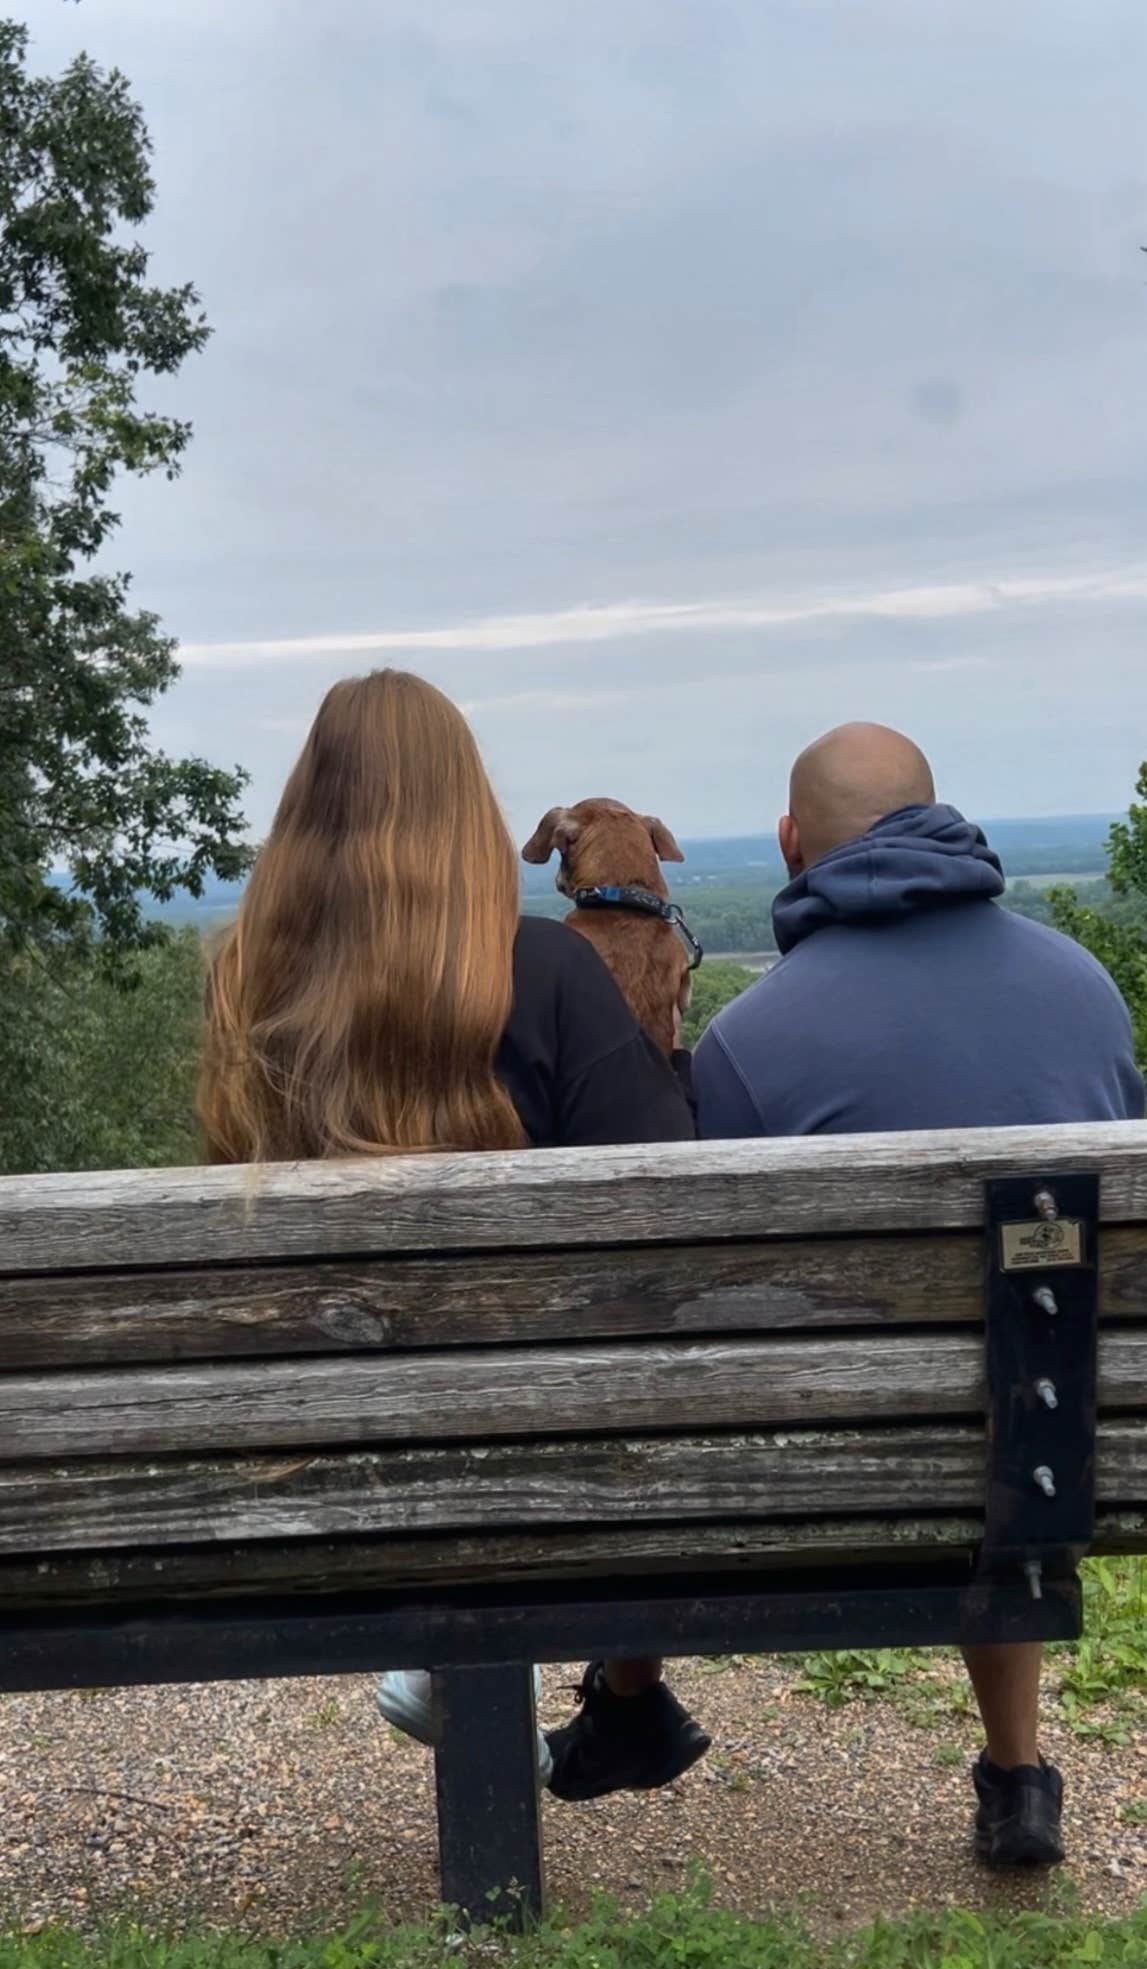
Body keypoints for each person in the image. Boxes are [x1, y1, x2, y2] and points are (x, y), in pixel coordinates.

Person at [198, 667, 710, 1802]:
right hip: (529, 1431)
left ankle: (452, 1653)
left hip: (305, 1436)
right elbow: (663, 1188)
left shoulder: (249, 978)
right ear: (468, 811)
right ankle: (545, 1670)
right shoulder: (547, 966)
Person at [693, 722, 1145, 1867]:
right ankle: (1015, 1774)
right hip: (1056, 1459)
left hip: (820, 1462)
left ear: (792, 844)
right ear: (943, 820)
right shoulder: (1084, 988)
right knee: (1021, 1364)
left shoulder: (745, 1039)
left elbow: (716, 1298)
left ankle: (625, 1693)